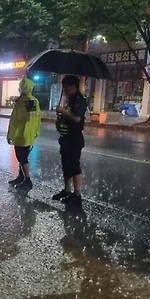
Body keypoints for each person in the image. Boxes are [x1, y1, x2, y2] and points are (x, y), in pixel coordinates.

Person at [53, 75, 88, 206]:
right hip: (65, 138)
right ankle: (67, 190)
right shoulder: (70, 100)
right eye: (64, 86)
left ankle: (77, 194)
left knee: (74, 166)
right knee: (66, 165)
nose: (65, 89)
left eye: (66, 86)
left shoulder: (79, 100)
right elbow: (66, 117)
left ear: (73, 86)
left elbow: (77, 118)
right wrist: (59, 119)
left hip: (74, 138)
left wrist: (63, 111)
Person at [7, 77, 41, 191]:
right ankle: (21, 177)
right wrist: (36, 132)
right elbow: (36, 119)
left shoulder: (23, 101)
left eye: (20, 86)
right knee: (22, 157)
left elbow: (15, 120)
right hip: (29, 135)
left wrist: (10, 135)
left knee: (22, 158)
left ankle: (27, 180)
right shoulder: (33, 100)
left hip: (21, 135)